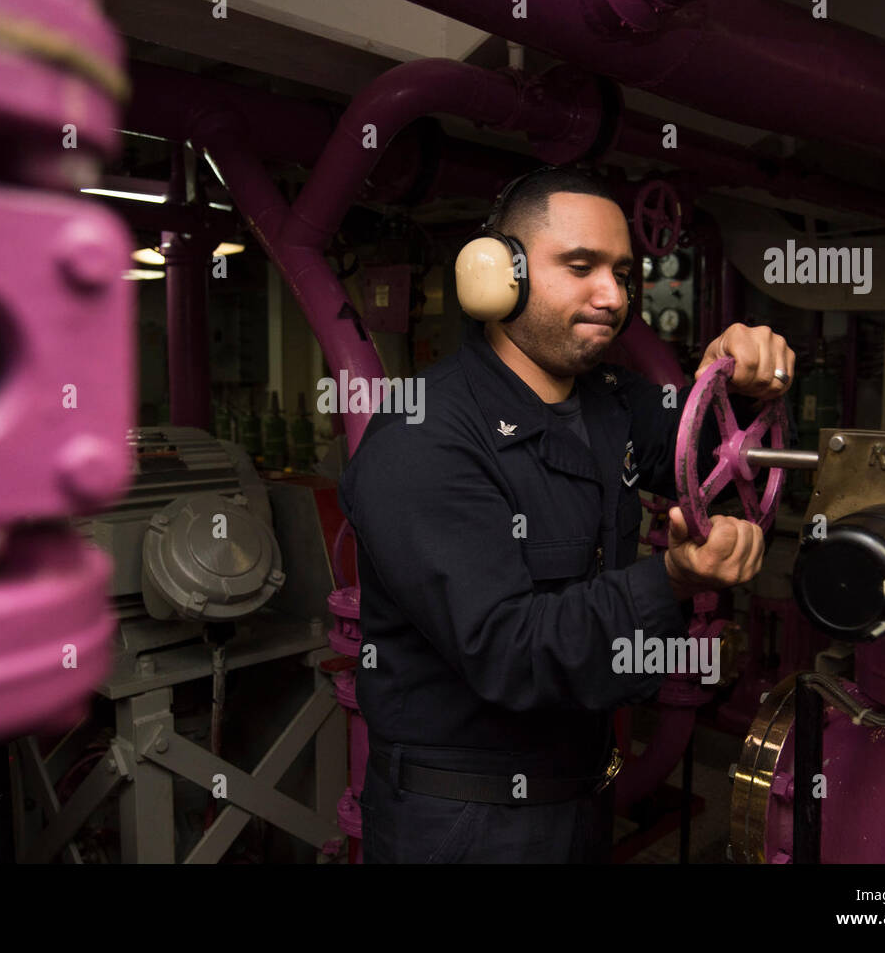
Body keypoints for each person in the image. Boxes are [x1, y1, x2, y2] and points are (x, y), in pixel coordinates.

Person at [338, 167, 796, 864]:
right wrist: (669, 579)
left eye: (622, 271)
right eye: (580, 267)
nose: (612, 297)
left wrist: (741, 376)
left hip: (578, 801)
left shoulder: (607, 399)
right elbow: (510, 652)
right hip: (465, 825)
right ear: (498, 274)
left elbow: (707, 444)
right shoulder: (422, 434)